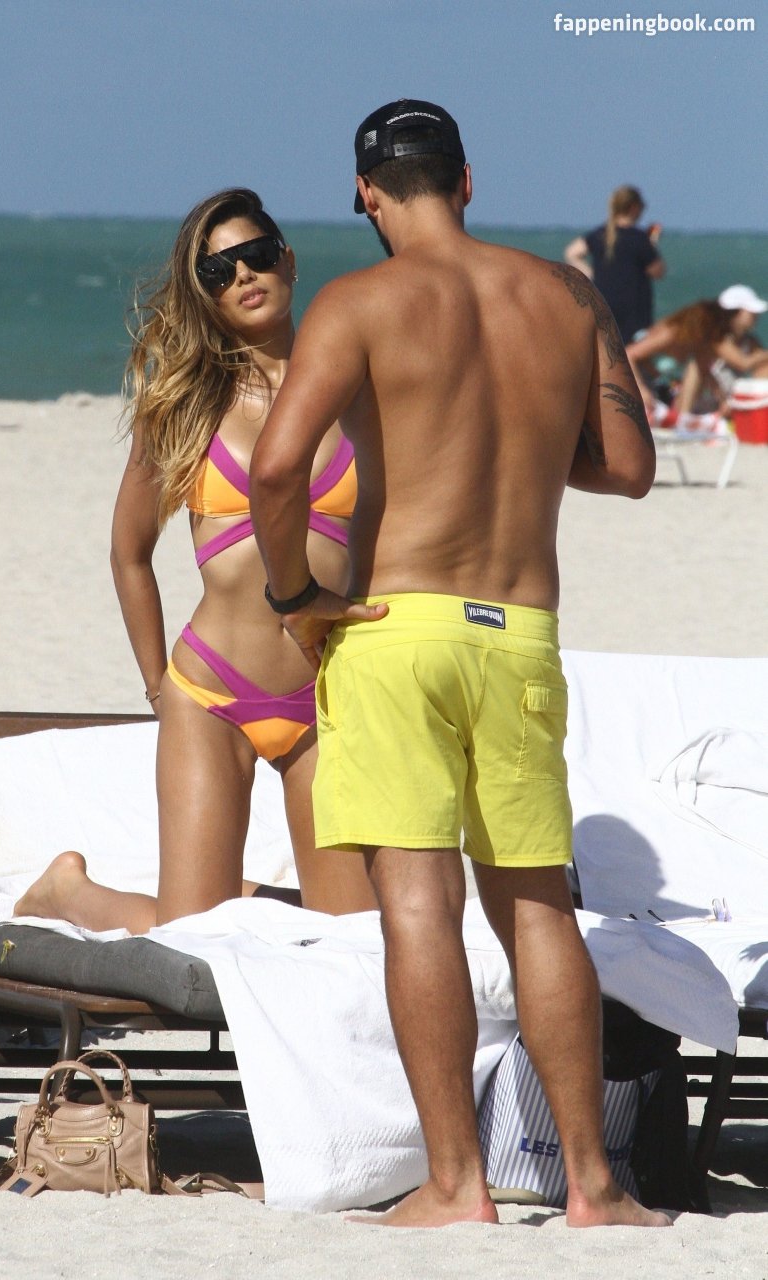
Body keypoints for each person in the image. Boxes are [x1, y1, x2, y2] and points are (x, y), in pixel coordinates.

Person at [251, 99, 670, 1230]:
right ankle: (592, 1187)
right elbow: (629, 466)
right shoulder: (567, 296)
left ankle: (454, 1184)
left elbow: (276, 470)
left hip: (396, 626)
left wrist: (295, 597)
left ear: (365, 193)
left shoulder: (358, 302)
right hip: (518, 629)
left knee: (420, 906)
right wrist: (520, 443)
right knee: (538, 906)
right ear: (467, 180)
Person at [16, 188, 376, 933]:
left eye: (256, 255)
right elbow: (129, 553)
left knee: (353, 938)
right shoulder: (187, 406)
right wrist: (159, 687)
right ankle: (67, 893)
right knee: (193, 942)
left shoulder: (357, 392)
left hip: (328, 695)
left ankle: (228, 893)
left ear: (288, 260)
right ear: (204, 294)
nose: (242, 274)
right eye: (217, 270)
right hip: (212, 694)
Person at [626, 292, 768, 422]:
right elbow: (628, 354)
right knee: (695, 367)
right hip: (640, 388)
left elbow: (707, 374)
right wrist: (640, 390)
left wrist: (726, 400)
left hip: (665, 392)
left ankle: (683, 419)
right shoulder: (670, 333)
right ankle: (682, 420)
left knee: (699, 366)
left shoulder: (698, 344)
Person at [564, 185, 665, 342]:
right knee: (633, 352)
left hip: (603, 303)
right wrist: (652, 244)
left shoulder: (600, 234)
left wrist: (593, 274)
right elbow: (657, 271)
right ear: (634, 208)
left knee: (607, 349)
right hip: (634, 310)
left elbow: (572, 252)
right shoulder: (639, 239)